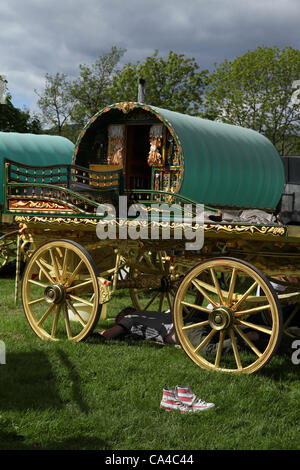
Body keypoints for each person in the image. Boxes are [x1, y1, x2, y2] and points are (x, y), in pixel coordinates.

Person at [100, 306, 178, 344]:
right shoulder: (150, 315)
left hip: (176, 334)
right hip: (181, 324)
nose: (117, 324)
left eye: (118, 321)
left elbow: (107, 335)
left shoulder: (130, 318)